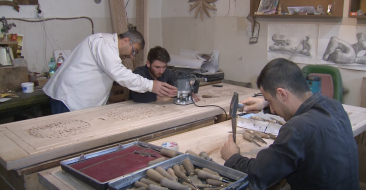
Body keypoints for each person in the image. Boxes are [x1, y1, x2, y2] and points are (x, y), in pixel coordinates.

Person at [220, 58, 359, 190]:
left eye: (270, 101)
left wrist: (233, 158)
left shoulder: (297, 129)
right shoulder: (335, 106)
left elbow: (258, 176)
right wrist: (266, 104)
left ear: (281, 94)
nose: (272, 109)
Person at [43, 31, 177, 114]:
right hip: (67, 99)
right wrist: (151, 85)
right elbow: (119, 73)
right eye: (134, 51)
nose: (132, 56)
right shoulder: (103, 44)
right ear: (126, 41)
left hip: (80, 103)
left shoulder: (109, 49)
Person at [130, 46, 200, 103]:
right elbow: (135, 97)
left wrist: (189, 93)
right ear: (148, 63)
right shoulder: (139, 73)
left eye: (164, 67)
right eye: (157, 67)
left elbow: (177, 82)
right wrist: (161, 95)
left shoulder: (166, 72)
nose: (161, 71)